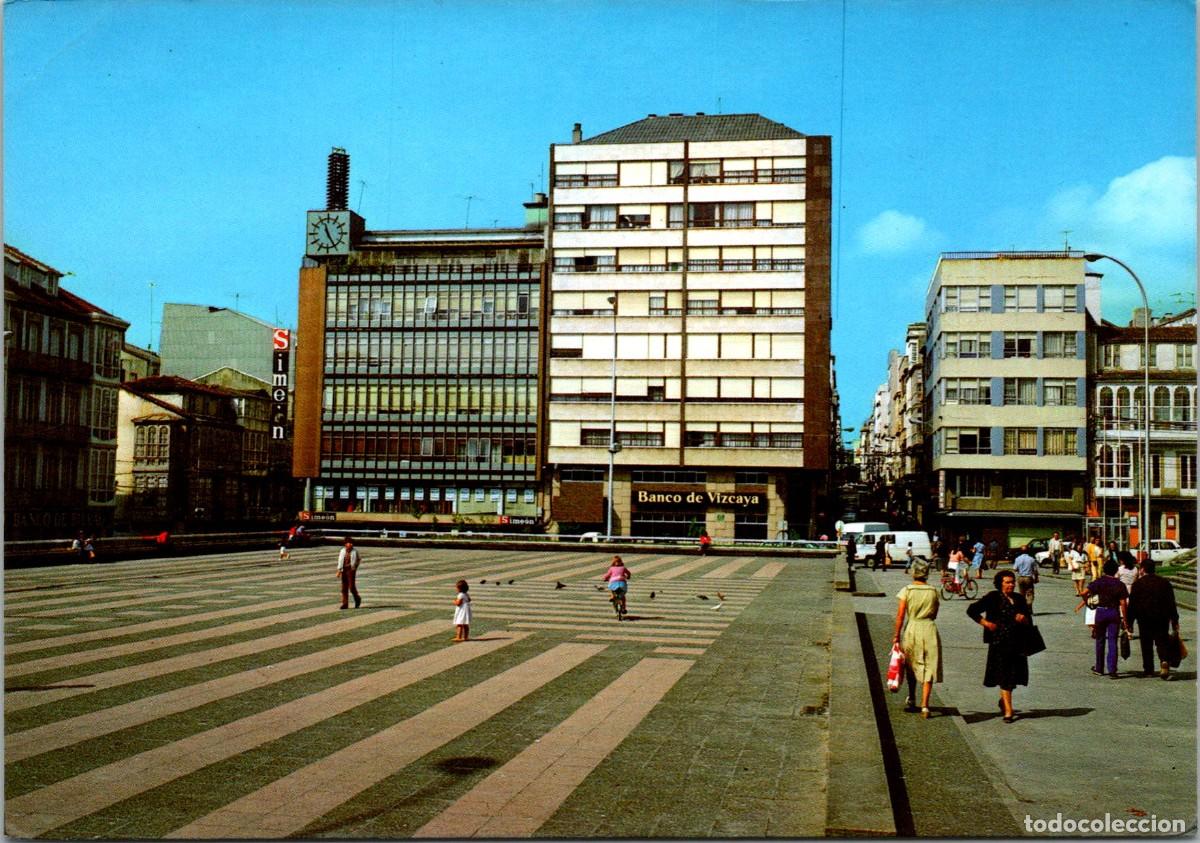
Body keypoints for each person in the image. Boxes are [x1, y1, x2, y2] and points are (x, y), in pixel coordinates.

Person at [967, 570, 1033, 723]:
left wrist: (1023, 619)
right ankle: (1008, 712)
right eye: (1007, 582)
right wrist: (986, 623)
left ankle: (1004, 701)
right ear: (1000, 583)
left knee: (1013, 676)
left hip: (1017, 643)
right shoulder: (993, 597)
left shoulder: (1019, 598)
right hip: (999, 642)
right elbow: (971, 610)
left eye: (1012, 582)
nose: (1011, 584)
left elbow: (1028, 620)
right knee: (1005, 675)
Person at [892, 560, 942, 719]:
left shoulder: (907, 590)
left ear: (913, 573)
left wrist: (896, 636)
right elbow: (935, 613)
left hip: (912, 628)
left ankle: (912, 697)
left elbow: (900, 615)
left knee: (911, 664)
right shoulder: (934, 591)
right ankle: (925, 706)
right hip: (929, 629)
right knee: (929, 666)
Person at [1074, 559, 1129, 678]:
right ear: (1115, 571)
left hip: (1100, 612)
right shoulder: (1120, 584)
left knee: (1100, 640)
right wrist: (1125, 619)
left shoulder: (1099, 581)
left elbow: (1084, 593)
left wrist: (1087, 602)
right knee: (1113, 641)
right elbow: (1123, 603)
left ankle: (1099, 667)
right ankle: (1112, 669)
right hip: (1113, 612)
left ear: (1104, 569)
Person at [1128, 559, 1181, 679]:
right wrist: (1175, 620)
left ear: (1142, 569)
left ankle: (1148, 669)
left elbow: (1132, 605)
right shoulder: (1164, 583)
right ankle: (1164, 660)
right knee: (1162, 641)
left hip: (1144, 618)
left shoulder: (1137, 584)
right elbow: (1171, 603)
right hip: (1162, 617)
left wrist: (1129, 622)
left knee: (1146, 643)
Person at [336, 537, 362, 609]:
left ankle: (357, 598)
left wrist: (355, 567)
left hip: (351, 570)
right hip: (343, 570)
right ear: (345, 544)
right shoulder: (342, 551)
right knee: (344, 588)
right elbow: (340, 561)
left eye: (351, 543)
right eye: (349, 543)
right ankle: (345, 603)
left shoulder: (355, 551)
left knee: (351, 587)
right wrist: (339, 570)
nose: (350, 544)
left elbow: (359, 559)